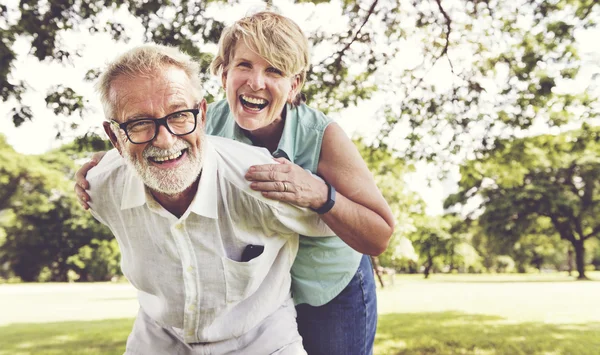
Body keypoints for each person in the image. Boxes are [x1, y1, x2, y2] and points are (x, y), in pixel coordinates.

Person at [76, 11, 395, 355]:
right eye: (245, 65)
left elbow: (378, 234)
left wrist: (320, 193)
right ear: (223, 73)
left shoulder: (322, 136)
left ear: (294, 84)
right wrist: (108, 159)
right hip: (258, 283)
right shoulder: (199, 121)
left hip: (326, 281)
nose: (256, 82)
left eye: (274, 70)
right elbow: (155, 133)